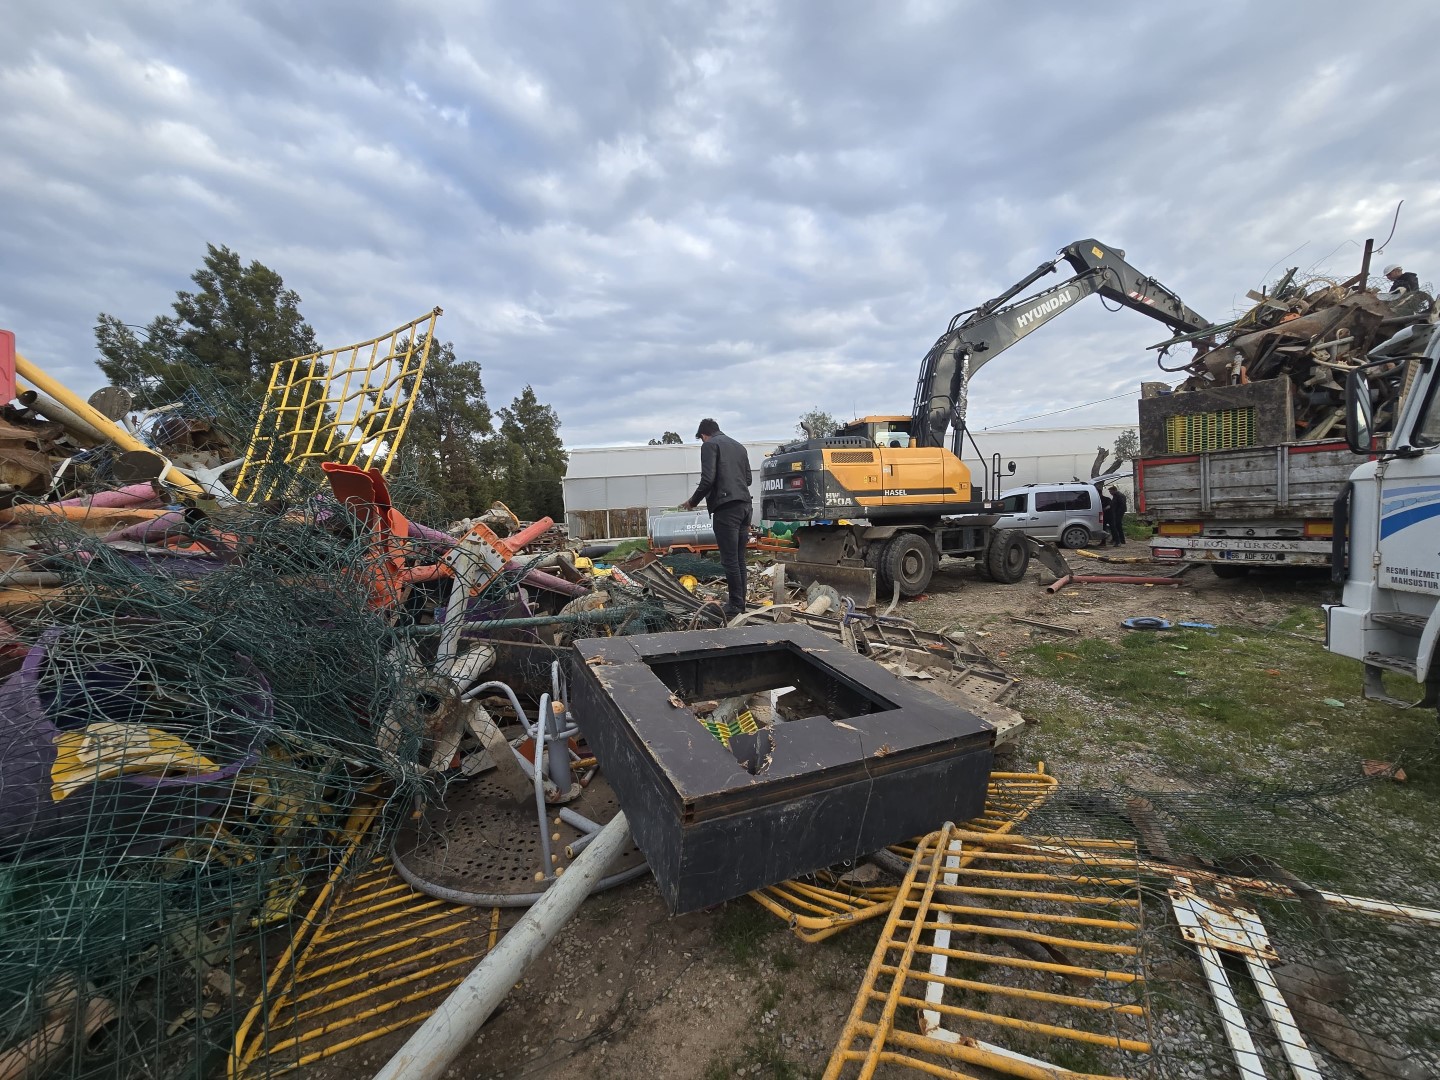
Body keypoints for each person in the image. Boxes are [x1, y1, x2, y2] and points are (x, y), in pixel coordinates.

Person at [680, 418, 753, 619]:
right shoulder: (739, 447)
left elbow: (708, 479)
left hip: (726, 509)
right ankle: (740, 602)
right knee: (739, 559)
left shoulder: (710, 445)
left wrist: (692, 502)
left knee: (729, 559)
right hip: (745, 506)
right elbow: (748, 479)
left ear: (704, 435)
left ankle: (735, 606)